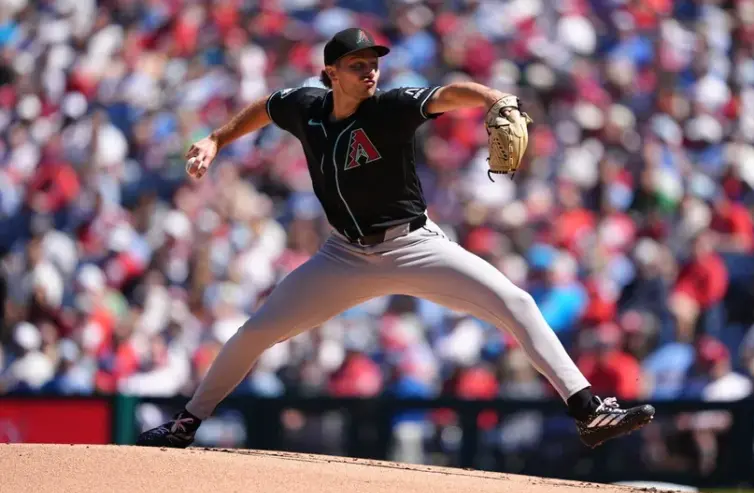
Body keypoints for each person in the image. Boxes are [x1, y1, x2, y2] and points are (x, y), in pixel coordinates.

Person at [136, 28, 654, 450]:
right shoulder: (306, 107)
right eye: (358, 64)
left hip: (414, 245)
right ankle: (186, 423)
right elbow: (265, 107)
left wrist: (494, 97)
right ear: (331, 73)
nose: (370, 70)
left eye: (373, 62)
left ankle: (589, 410)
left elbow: (448, 93)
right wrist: (215, 139)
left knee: (514, 301)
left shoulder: (391, 107)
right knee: (255, 332)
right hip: (343, 255)